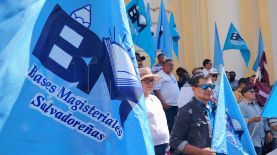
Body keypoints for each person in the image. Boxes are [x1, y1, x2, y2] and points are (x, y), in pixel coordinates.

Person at [170, 72, 216, 155]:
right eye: (205, 86)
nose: (209, 90)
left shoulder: (215, 108)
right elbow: (174, 140)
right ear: (193, 89)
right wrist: (200, 152)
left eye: (211, 86)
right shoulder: (185, 111)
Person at [139, 67, 170, 155]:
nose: (150, 83)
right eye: (146, 80)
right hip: (149, 146)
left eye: (151, 80)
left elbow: (162, 121)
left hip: (164, 144)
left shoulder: (155, 98)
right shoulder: (136, 102)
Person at [239, 85, 272, 155]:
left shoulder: (257, 105)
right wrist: (252, 120)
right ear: (244, 94)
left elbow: (264, 119)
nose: (254, 93)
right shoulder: (241, 106)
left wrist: (268, 131)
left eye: (254, 91)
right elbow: (239, 122)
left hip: (260, 140)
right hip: (249, 141)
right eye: (251, 92)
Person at [154, 59, 180, 132]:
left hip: (176, 105)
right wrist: (163, 103)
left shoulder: (171, 74)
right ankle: (170, 142)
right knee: (169, 125)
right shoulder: (159, 75)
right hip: (167, 106)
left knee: (176, 125)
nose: (172, 67)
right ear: (163, 66)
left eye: (172, 65)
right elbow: (156, 91)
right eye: (169, 65)